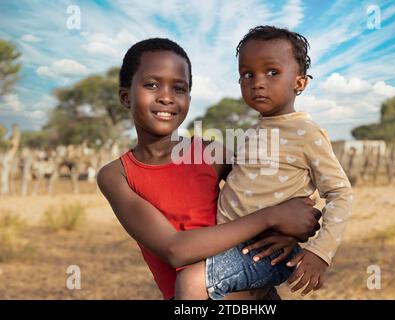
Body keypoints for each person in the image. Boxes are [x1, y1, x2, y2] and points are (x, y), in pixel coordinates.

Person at [97, 37, 322, 300]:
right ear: (125, 96)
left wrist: (289, 234)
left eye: (179, 88)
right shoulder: (117, 175)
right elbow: (174, 250)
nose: (167, 97)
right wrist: (272, 217)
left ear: (189, 99)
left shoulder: (210, 153)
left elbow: (281, 192)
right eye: (152, 85)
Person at [175, 26, 353, 300]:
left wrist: (320, 252)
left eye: (272, 72)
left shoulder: (306, 132)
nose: (258, 82)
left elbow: (340, 193)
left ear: (300, 82)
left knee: (191, 283)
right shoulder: (250, 133)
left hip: (264, 250)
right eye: (247, 74)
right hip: (230, 241)